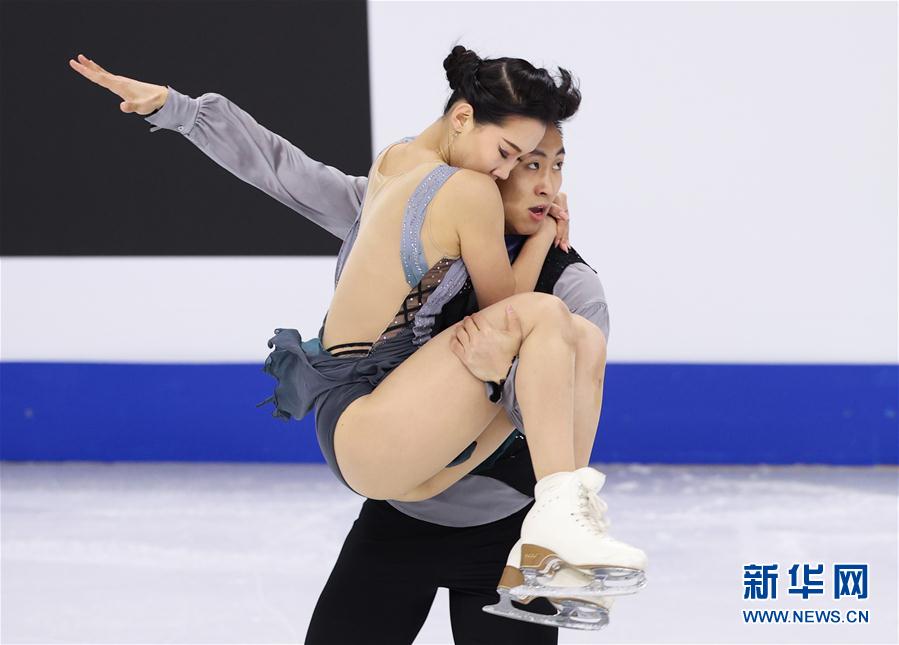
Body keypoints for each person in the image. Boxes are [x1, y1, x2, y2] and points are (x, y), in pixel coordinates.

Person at [68, 45, 647, 633]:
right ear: (465, 120)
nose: (537, 181)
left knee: (570, 330)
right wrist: (182, 111)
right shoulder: (426, 199)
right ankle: (558, 532)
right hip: (400, 496)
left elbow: (551, 405)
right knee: (544, 320)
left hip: (501, 523)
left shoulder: (572, 283)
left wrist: (509, 353)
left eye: (554, 166)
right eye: (520, 160)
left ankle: (558, 540)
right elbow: (288, 173)